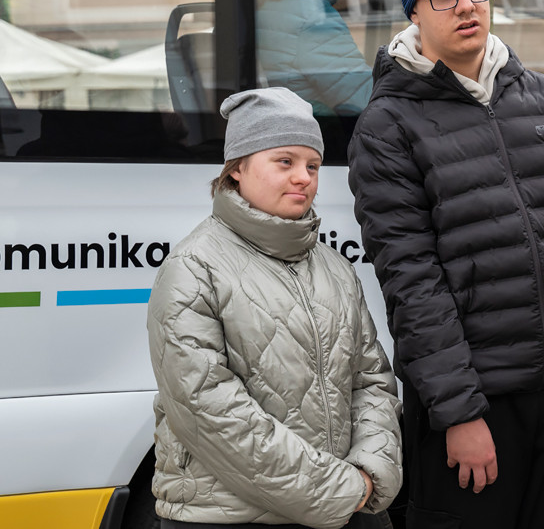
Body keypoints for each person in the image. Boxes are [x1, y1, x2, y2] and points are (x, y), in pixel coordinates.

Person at [346, 0, 544, 529]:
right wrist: (457, 414)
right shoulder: (387, 127)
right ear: (414, 9)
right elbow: (412, 281)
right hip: (475, 414)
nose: (466, 5)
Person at [146, 87, 402, 529]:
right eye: (285, 161)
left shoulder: (335, 267)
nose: (304, 177)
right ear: (237, 169)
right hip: (227, 517)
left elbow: (372, 382)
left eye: (313, 165)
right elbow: (209, 409)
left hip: (347, 506)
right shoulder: (193, 267)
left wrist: (368, 472)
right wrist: (337, 489)